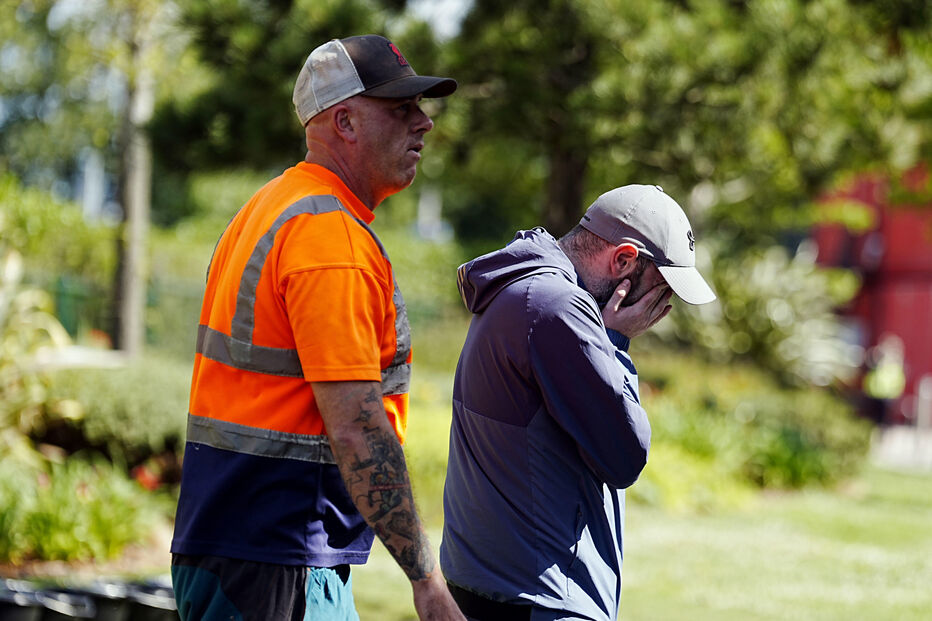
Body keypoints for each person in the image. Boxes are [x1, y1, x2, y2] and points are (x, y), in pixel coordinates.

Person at [170, 34, 465, 621]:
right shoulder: (329, 239)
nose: (424, 123)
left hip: (233, 550)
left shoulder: (269, 207)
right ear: (345, 121)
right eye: (401, 108)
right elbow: (358, 429)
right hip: (279, 559)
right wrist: (428, 583)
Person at [440, 184, 716, 621]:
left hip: (496, 585)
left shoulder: (521, 285)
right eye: (660, 285)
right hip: (540, 599)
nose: (662, 305)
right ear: (623, 261)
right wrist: (615, 341)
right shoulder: (558, 307)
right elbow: (625, 454)